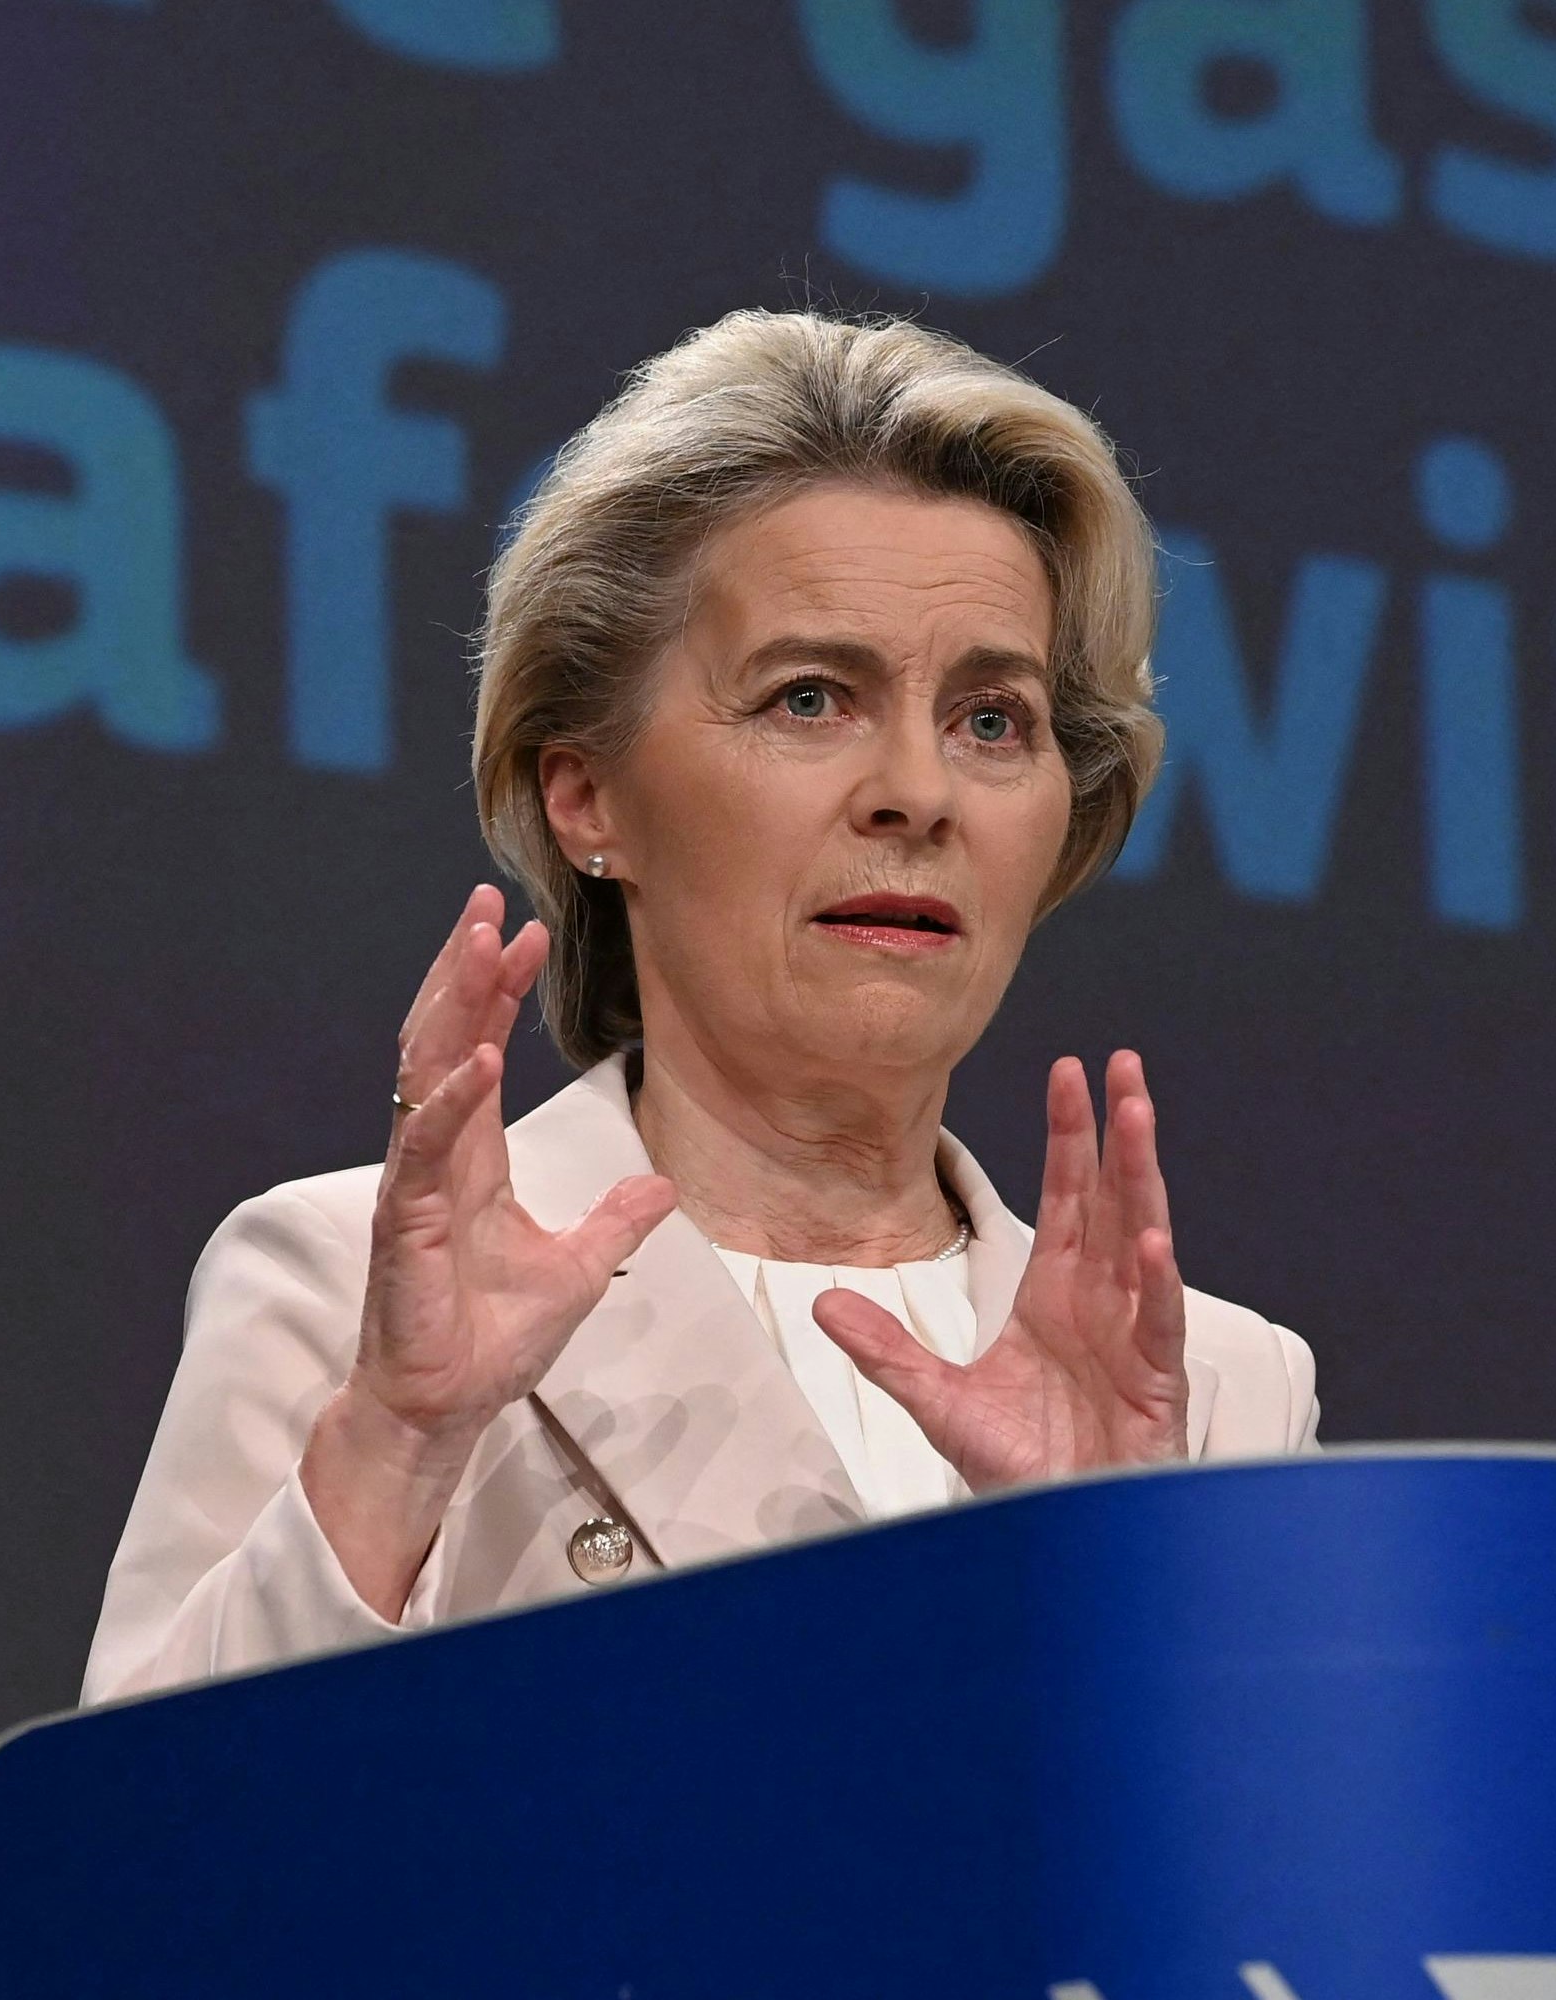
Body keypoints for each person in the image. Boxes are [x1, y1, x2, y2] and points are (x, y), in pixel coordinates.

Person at [82, 311, 1319, 1702]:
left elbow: (1282, 1907)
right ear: (588, 796)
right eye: (808, 698)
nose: (917, 791)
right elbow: (137, 1889)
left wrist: (1117, 1599)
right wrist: (401, 1442)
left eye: (993, 720)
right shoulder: (337, 1290)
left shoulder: (1222, 1387)